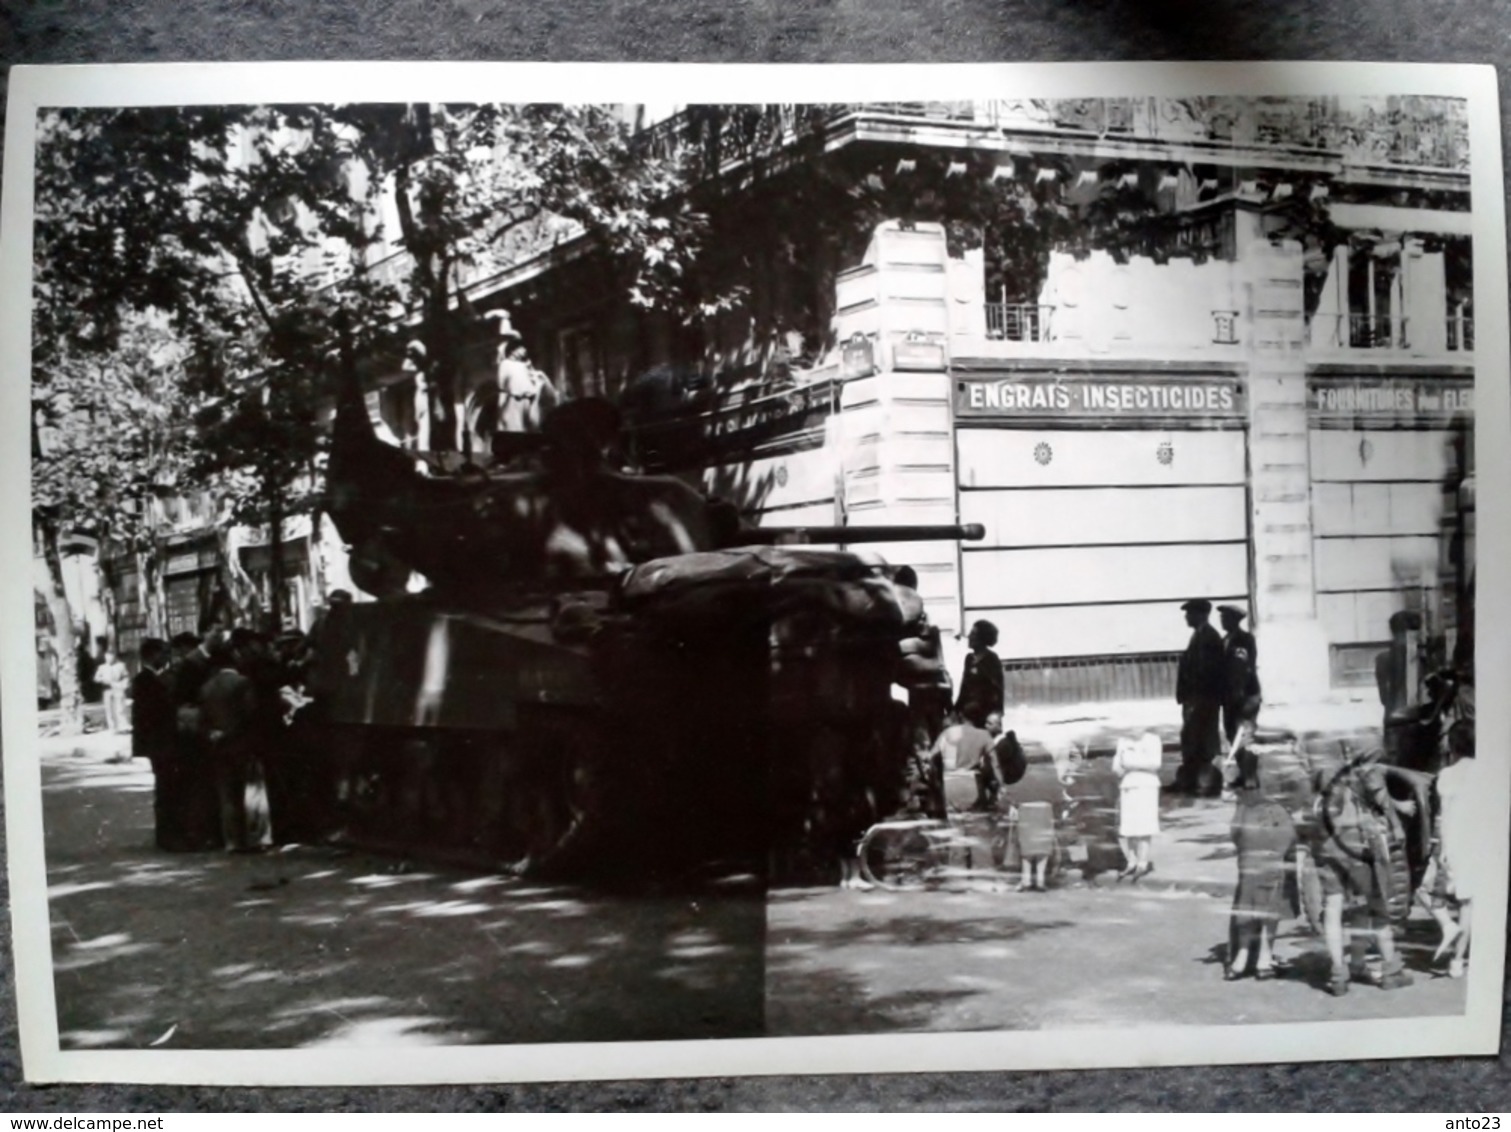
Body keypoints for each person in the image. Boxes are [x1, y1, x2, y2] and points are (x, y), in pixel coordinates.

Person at [1305, 746, 1419, 996]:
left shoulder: (1316, 768)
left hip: (1324, 844)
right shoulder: (1355, 761)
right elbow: (1377, 791)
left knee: (1335, 908)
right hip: (1355, 845)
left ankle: (1341, 973)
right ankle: (1391, 971)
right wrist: (1395, 822)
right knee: (1376, 907)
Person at [1225, 746, 1297, 980]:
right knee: (1271, 897)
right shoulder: (1277, 763)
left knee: (1247, 895)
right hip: (1273, 824)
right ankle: (1264, 959)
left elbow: (1234, 829)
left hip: (1247, 827)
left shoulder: (1243, 775)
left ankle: (1241, 958)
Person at [198, 638, 260, 853]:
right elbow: (250, 714)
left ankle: (231, 840)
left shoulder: (206, 687)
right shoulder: (242, 683)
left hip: (217, 745)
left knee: (226, 794)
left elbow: (202, 719)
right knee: (247, 792)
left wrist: (214, 733)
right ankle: (249, 839)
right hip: (240, 743)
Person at [1431, 719, 1479, 978]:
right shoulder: (1488, 770)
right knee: (1471, 904)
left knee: (1456, 900)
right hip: (1482, 841)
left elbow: (1445, 816)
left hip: (1457, 842)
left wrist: (1443, 850)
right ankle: (1460, 959)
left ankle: (1455, 953)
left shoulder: (1447, 776)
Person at [130, 639, 182, 850]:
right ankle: (167, 836)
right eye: (163, 654)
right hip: (160, 742)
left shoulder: (149, 679)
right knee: (165, 788)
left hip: (158, 742)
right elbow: (151, 715)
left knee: (166, 787)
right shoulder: (146, 680)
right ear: (152, 655)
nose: (166, 658)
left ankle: (167, 834)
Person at [1175, 599, 1225, 797]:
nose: (1186, 617)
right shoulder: (1199, 635)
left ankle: (1205, 784)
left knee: (1203, 741)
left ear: (1201, 615)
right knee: (1191, 738)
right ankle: (1190, 782)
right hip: (1195, 700)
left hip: (1203, 700)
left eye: (1190, 613)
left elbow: (1205, 673)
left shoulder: (1209, 637)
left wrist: (1196, 701)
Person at [1112, 732, 1162, 881]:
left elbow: (1155, 763)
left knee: (1145, 824)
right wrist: (1121, 763)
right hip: (1128, 784)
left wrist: (1129, 761)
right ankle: (1131, 861)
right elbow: (1116, 766)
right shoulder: (1123, 740)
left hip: (1146, 784)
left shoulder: (1152, 739)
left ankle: (1143, 862)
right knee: (1129, 825)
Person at [1218, 605, 1261, 748]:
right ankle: (1244, 766)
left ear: (1234, 620)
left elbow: (1241, 668)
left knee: (1243, 736)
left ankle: (1248, 769)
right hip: (1229, 697)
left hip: (1245, 695)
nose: (1221, 621)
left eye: (1225, 618)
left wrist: (1239, 692)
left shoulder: (1244, 639)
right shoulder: (1224, 640)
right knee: (1231, 733)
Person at [955, 620, 1005, 724]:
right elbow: (964, 687)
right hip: (967, 715)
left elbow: (997, 689)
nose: (969, 636)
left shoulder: (992, 659)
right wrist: (955, 710)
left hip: (985, 715)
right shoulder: (969, 659)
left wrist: (997, 713)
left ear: (982, 638)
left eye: (973, 634)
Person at [97, 648, 129, 734]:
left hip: (117, 688)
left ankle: (122, 726)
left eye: (110, 657)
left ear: (114, 657)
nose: (108, 659)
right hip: (107, 689)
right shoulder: (102, 667)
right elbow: (96, 678)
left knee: (119, 708)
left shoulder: (121, 665)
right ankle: (112, 727)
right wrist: (102, 679)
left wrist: (124, 685)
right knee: (109, 709)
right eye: (107, 657)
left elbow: (126, 676)